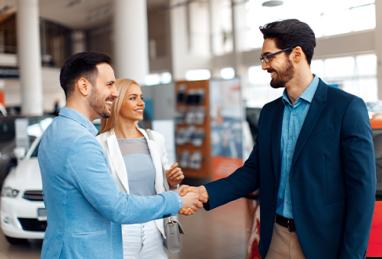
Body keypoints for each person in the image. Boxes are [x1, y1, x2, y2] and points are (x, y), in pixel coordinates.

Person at [180, 19, 376, 259]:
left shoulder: (346, 108)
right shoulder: (270, 113)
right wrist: (204, 192)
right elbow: (253, 171)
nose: (264, 66)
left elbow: (362, 191)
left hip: (325, 244)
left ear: (296, 54)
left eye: (268, 57)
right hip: (276, 240)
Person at [37, 52, 201, 259]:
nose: (115, 93)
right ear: (84, 86)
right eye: (109, 85)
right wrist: (175, 200)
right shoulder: (81, 141)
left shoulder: (56, 130)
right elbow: (117, 207)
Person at [97, 78, 184, 259]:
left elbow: (163, 187)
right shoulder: (100, 144)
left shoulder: (155, 139)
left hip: (154, 227)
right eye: (133, 98)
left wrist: (171, 181)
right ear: (118, 103)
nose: (141, 103)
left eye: (141, 98)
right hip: (121, 231)